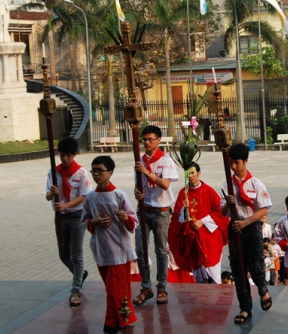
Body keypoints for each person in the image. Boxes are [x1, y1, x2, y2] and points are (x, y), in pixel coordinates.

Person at [81, 156, 138, 334]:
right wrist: (94, 221)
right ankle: (123, 318)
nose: (96, 174)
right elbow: (85, 221)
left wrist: (125, 218)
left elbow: (133, 221)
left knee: (116, 290)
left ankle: (112, 322)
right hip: (101, 248)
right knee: (111, 288)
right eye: (94, 171)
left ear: (110, 173)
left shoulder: (119, 195)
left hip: (119, 250)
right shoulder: (90, 197)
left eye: (100, 170)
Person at [221, 143, 272, 324]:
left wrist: (246, 222)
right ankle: (244, 307)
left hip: (251, 228)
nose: (234, 167)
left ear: (245, 161)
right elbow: (222, 212)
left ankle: (263, 289)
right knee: (238, 268)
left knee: (256, 264)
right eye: (231, 163)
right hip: (235, 229)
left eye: (237, 163)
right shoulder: (227, 185)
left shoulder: (255, 184)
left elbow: (263, 210)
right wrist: (228, 202)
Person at [133, 125, 179, 306]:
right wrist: (137, 193)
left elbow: (165, 184)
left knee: (161, 250)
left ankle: (161, 287)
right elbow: (138, 184)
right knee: (140, 249)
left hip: (161, 212)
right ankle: (146, 287)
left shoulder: (165, 161)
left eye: (151, 139)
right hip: (144, 210)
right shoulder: (140, 160)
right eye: (144, 139)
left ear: (159, 140)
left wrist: (147, 172)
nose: (147, 143)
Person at [44, 137, 92, 307]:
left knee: (76, 253)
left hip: (76, 217)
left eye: (68, 156)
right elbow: (47, 196)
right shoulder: (53, 172)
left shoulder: (81, 173)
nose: (65, 159)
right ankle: (79, 275)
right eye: (62, 155)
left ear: (74, 155)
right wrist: (52, 192)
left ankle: (75, 291)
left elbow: (84, 196)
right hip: (60, 218)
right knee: (63, 254)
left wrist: (65, 205)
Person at [168, 163, 230, 284]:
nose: (190, 176)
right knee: (198, 276)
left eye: (192, 173)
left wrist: (203, 221)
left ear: (199, 173)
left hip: (209, 239)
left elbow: (220, 213)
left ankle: (214, 300)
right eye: (188, 174)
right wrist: (184, 210)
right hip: (192, 240)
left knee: (213, 273)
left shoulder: (209, 191)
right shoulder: (183, 193)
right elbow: (176, 217)